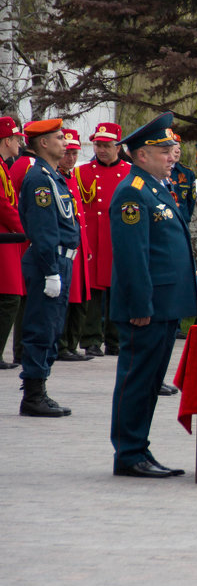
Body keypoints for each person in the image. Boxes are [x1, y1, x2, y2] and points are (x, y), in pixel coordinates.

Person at [108, 112, 197, 478]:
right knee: (137, 380)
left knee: (149, 382)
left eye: (170, 149)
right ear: (141, 154)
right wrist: (141, 304)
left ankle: (139, 448)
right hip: (146, 307)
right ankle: (129, 452)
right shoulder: (133, 191)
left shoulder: (157, 187)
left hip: (165, 305)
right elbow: (133, 256)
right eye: (163, 150)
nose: (171, 155)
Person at [15, 119, 80, 417]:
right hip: (48, 262)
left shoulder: (53, 176)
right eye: (58, 137)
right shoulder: (40, 179)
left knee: (52, 328)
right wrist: (51, 270)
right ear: (42, 143)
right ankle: (33, 396)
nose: (64, 142)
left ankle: (40, 390)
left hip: (59, 260)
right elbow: (42, 229)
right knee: (41, 328)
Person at [76, 121, 129, 357]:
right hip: (94, 239)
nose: (101, 150)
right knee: (94, 291)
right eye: (98, 145)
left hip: (119, 237)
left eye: (107, 145)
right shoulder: (82, 171)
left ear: (118, 146)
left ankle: (115, 340)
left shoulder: (130, 171)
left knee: (119, 289)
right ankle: (91, 339)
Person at [56, 129, 93, 362]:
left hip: (79, 245)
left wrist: (86, 247)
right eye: (67, 152)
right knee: (67, 297)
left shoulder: (71, 177)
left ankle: (70, 343)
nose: (70, 158)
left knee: (80, 296)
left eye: (74, 153)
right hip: (65, 247)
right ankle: (61, 345)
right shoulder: (56, 177)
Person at [0, 115, 26, 369]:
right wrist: (25, 228)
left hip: (9, 239)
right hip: (4, 238)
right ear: (7, 140)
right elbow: (3, 206)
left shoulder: (4, 166)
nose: (20, 143)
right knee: (9, 298)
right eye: (17, 138)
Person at [167, 134, 197, 225]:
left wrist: (185, 218)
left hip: (182, 222)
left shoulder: (187, 173)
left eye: (179, 148)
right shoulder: (156, 170)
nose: (177, 151)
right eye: (173, 148)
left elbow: (191, 202)